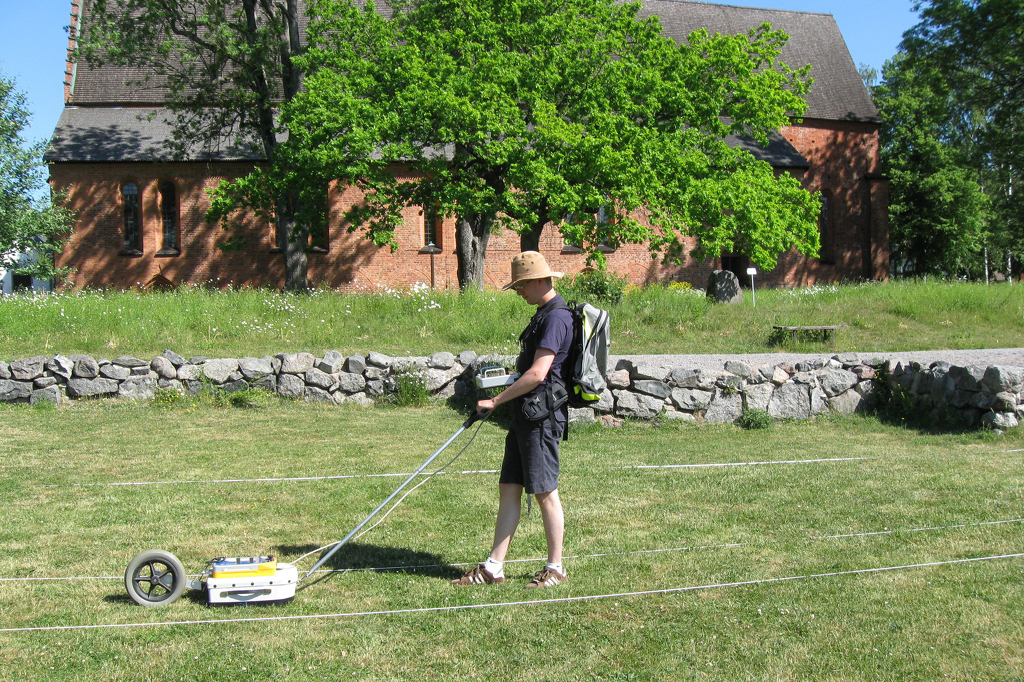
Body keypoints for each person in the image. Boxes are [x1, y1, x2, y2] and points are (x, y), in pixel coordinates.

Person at [452, 251, 574, 589]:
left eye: (521, 285)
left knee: (546, 493)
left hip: (541, 419)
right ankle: (494, 568)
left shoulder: (557, 318)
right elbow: (529, 371)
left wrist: (495, 401)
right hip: (525, 416)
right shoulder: (542, 314)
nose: (518, 291)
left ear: (538, 280)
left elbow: (538, 374)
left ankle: (556, 568)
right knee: (509, 489)